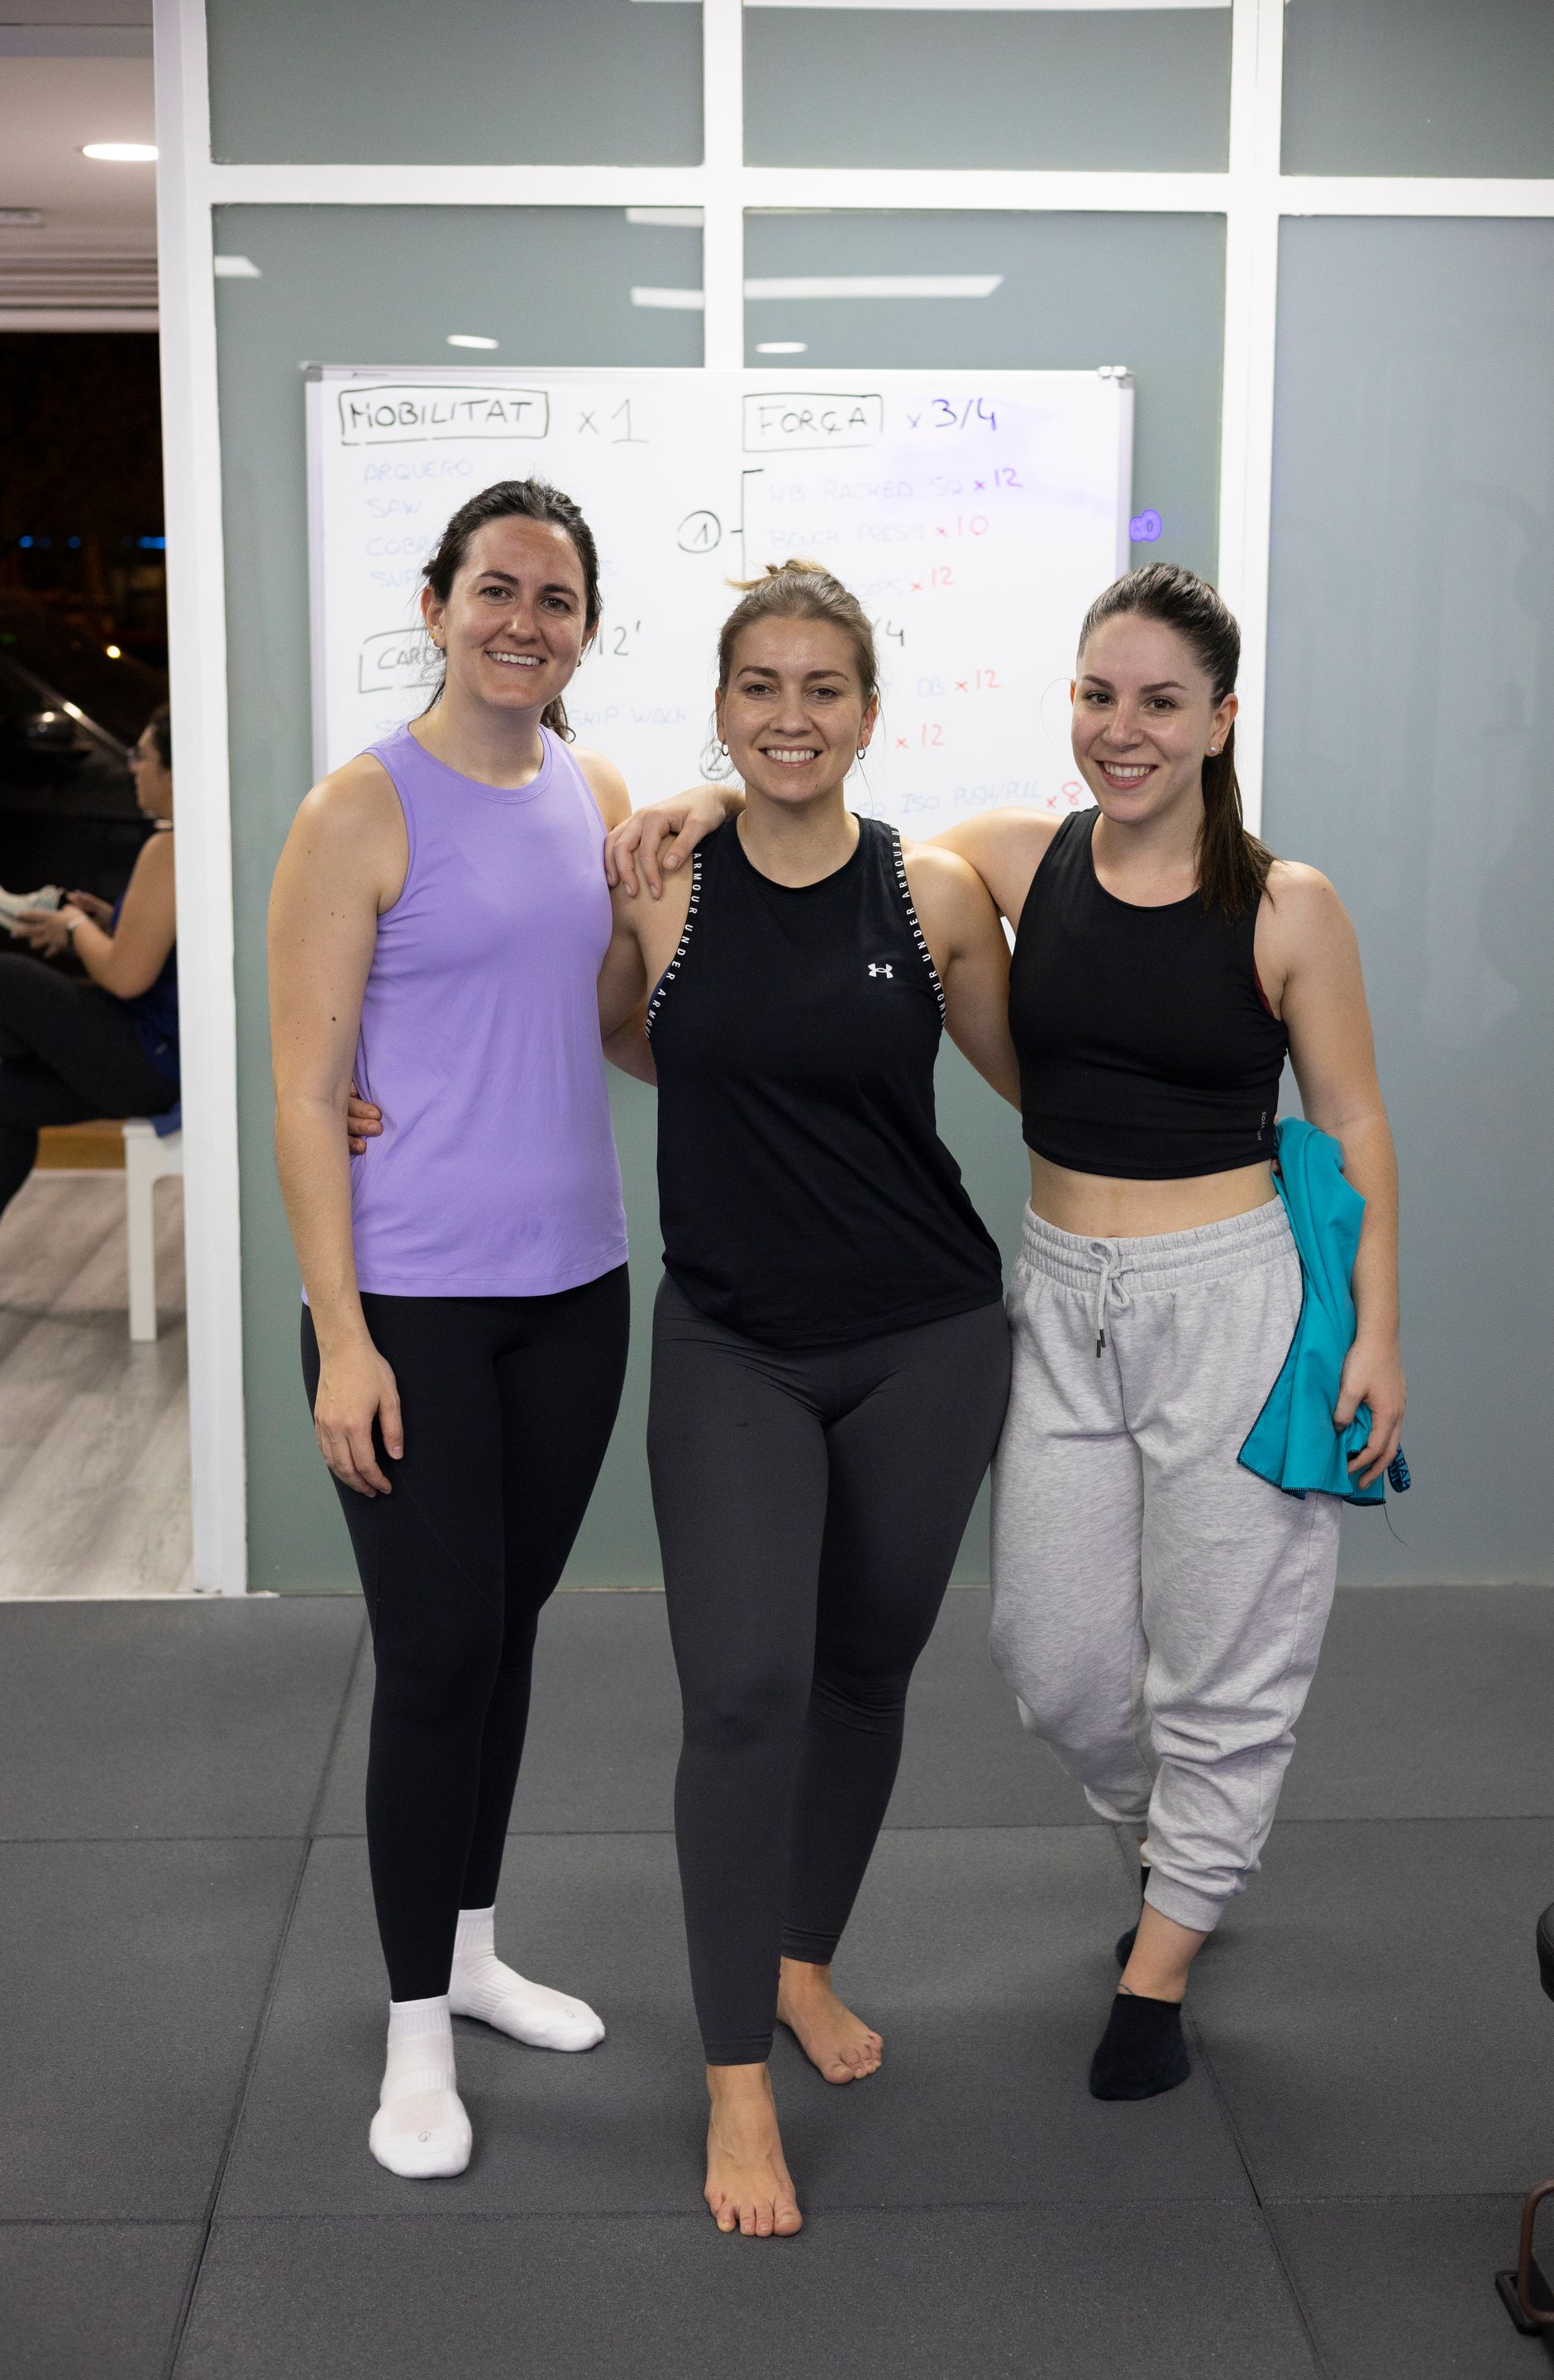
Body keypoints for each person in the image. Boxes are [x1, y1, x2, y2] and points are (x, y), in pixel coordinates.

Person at [606, 561, 1407, 2108]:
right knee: (1056, 1665)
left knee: (1227, 1667)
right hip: (1054, 1294)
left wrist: (1379, 1329)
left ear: (1222, 719)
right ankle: (1186, 1851)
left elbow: (1357, 1119)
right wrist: (705, 799)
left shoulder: (1288, 905)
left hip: (1232, 1297)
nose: (1126, 729)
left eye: (1163, 702)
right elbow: (802, 813)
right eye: (1100, 696)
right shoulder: (1000, 865)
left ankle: (1160, 1961)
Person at [592, 560, 1018, 2239]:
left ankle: (801, 1960)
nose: (789, 715)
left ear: (866, 711)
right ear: (720, 707)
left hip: (928, 1334)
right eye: (758, 687)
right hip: (735, 1344)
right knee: (745, 1696)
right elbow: (630, 1040)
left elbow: (1046, 1078)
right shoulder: (662, 884)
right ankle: (732, 2086)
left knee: (861, 1674)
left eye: (821, 688)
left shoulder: (932, 896)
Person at [269, 479, 632, 2182]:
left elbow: (619, 1024)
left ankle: (475, 1953)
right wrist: (340, 1334)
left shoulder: (600, 794)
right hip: (409, 1304)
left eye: (556, 600)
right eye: (496, 588)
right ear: (435, 604)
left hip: (575, 1295)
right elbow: (299, 1084)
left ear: (582, 631)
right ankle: (417, 2038)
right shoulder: (359, 808)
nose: (523, 621)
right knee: (431, 1661)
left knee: (511, 1637)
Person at [0, 703, 179, 1217]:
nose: (132, 767)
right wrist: (104, 921)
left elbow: (127, 977)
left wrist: (76, 929)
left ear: (172, 769)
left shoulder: (168, 848)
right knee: (7, 1100)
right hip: (158, 1054)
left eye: (141, 756)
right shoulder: (187, 844)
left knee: (9, 977)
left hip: (154, 1057)